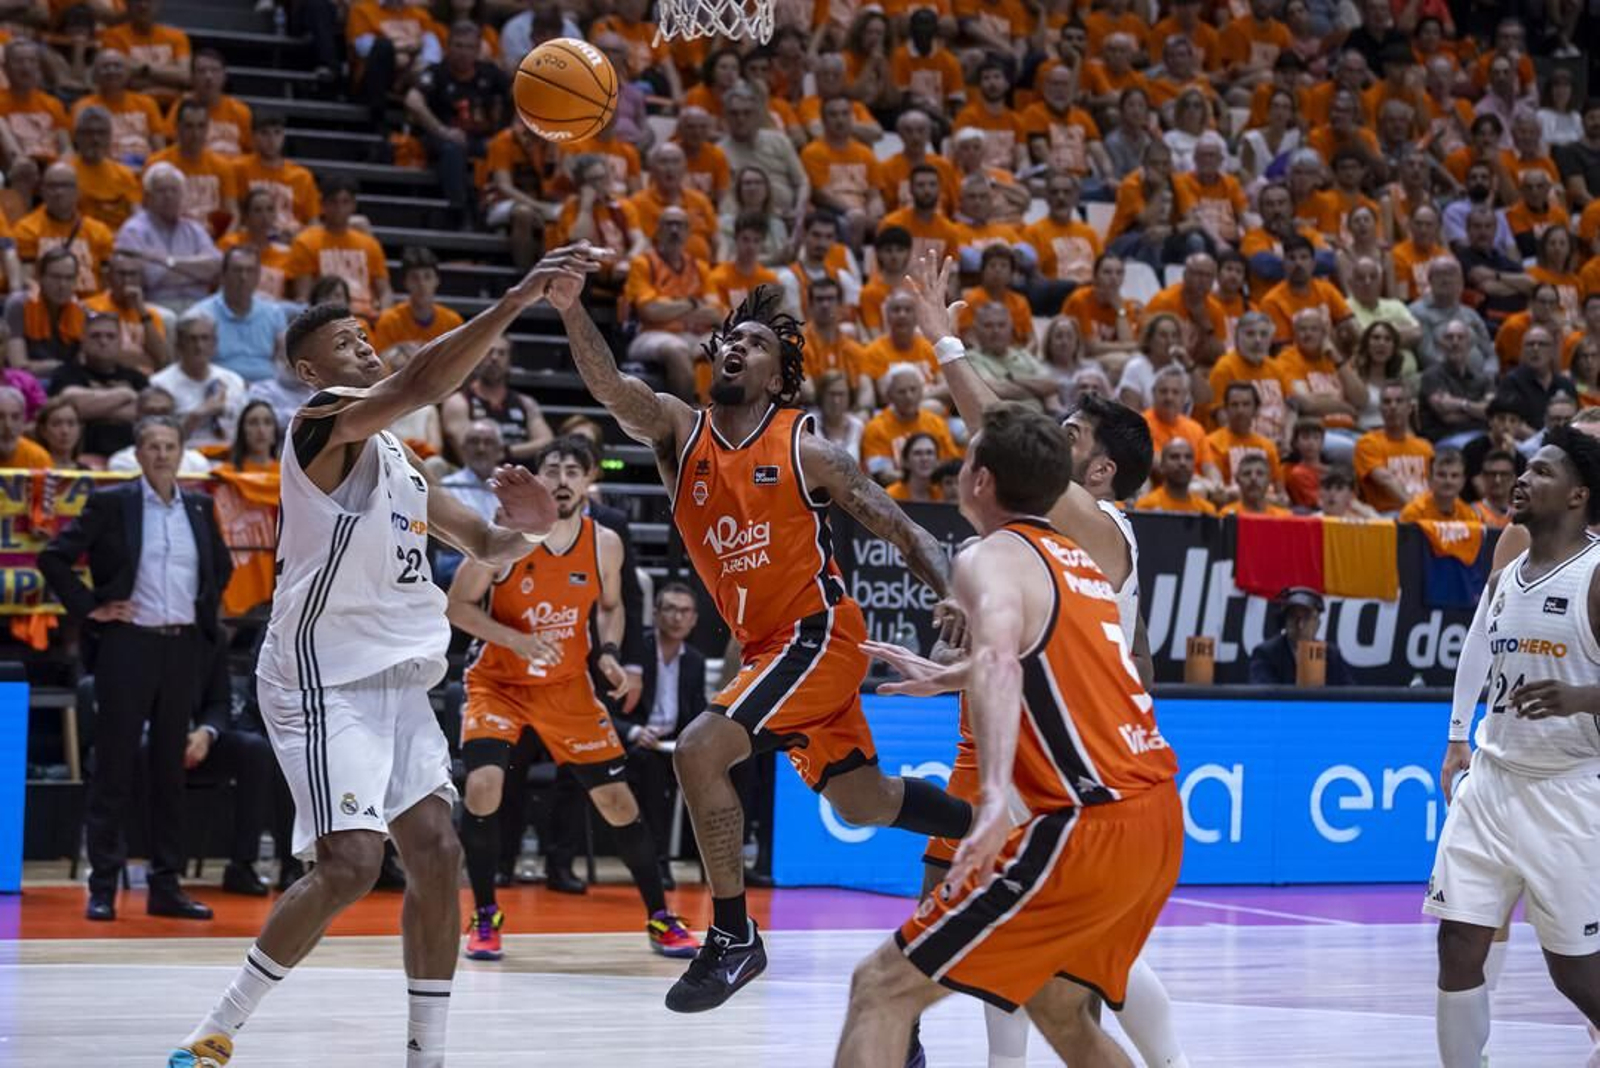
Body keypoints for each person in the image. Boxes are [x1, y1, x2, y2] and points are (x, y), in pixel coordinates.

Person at [163, 251, 584, 1068]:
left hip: (397, 680)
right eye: (346, 341)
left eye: (366, 336)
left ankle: (426, 1055)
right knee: (352, 862)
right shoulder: (318, 424)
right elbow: (422, 385)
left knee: (437, 850)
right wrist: (516, 297)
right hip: (322, 676)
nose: (364, 347)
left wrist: (533, 524)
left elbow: (486, 544)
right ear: (306, 369)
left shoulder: (402, 460)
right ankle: (216, 1028)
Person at [552, 262, 971, 1013]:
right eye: (728, 340)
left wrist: (955, 600)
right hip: (769, 651)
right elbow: (612, 389)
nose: (734, 348)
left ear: (781, 377)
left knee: (699, 747)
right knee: (865, 803)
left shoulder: (808, 447)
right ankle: (983, 828)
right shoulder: (680, 432)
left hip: (819, 634)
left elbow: (905, 531)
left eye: (753, 342)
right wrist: (572, 309)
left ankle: (734, 935)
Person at [889, 250, 1186, 1068]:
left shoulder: (1108, 529)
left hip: (1086, 769)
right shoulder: (1044, 543)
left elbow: (1004, 436)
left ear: (1097, 471)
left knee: (1071, 966)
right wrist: (951, 671)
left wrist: (947, 345)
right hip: (1047, 753)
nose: (1051, 442)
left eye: (1071, 437)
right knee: (1049, 964)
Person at [833, 402, 1182, 1068]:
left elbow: (999, 661)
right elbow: (1031, 653)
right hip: (1154, 811)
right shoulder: (1077, 562)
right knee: (1059, 1009)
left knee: (878, 989)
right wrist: (949, 678)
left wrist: (992, 799)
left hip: (1089, 818)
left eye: (966, 459)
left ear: (980, 482)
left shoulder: (989, 556)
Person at [447, 436, 698, 962]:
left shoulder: (604, 543)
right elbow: (458, 607)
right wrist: (514, 639)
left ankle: (659, 915)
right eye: (552, 470)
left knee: (617, 802)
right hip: (499, 682)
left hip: (565, 687)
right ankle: (486, 914)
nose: (561, 479)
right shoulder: (504, 539)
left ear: (589, 483)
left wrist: (607, 652)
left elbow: (610, 606)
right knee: (484, 786)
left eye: (572, 471)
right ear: (536, 482)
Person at [1430, 425, 1600, 1068]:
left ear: (1579, 494)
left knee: (1575, 975)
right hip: (1494, 780)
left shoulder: (1597, 574)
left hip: (1569, 790)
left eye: (1543, 472)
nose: (1522, 479)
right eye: (1524, 468)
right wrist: (1457, 738)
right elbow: (1475, 651)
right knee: (1457, 944)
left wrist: (1582, 698)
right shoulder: (1506, 579)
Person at [39, 414, 232, 923]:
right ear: (139, 453)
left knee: (171, 771)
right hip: (128, 647)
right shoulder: (113, 502)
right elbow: (54, 557)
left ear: (182, 452)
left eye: (170, 446)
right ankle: (102, 886)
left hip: (181, 648)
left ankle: (166, 887)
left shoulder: (199, 504)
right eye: (153, 446)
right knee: (115, 768)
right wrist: (92, 607)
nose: (162, 454)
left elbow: (221, 566)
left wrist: (203, 613)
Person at [617, 581, 706, 886]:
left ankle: (715, 864)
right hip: (632, 742)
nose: (677, 617)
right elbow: (604, 709)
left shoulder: (694, 660)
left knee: (731, 767)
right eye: (670, 609)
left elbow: (697, 712)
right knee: (652, 767)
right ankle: (657, 864)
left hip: (672, 743)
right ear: (655, 613)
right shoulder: (635, 650)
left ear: (694, 618)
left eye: (684, 611)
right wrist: (633, 731)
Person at [404, 21, 507, 220]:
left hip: (481, 138)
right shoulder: (436, 72)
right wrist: (442, 130)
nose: (463, 52)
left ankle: (492, 209)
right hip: (442, 137)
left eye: (469, 47)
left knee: (501, 147)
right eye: (458, 45)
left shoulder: (490, 72)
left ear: (478, 50)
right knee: (453, 149)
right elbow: (412, 100)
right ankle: (458, 210)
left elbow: (518, 95)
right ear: (448, 47)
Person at [114, 162, 222, 309]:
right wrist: (195, 272)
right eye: (161, 191)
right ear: (147, 197)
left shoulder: (194, 229)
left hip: (199, 305)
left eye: (174, 190)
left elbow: (215, 268)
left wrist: (168, 262)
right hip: (155, 306)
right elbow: (148, 277)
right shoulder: (133, 230)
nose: (169, 196)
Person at [48, 312, 146, 460]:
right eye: (96, 336)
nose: (103, 341)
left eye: (110, 336)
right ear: (83, 340)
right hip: (81, 457)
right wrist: (125, 394)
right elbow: (68, 406)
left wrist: (90, 409)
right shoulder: (65, 374)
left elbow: (144, 411)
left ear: (120, 342)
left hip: (132, 457)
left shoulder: (137, 377)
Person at [439, 334, 551, 464]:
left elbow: (546, 441)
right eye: (488, 351)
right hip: (474, 480)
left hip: (519, 475)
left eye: (501, 353)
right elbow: (469, 452)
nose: (494, 357)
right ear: (477, 358)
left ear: (509, 362)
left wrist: (507, 451)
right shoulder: (458, 401)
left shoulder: (525, 403)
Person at [189, 246, 287, 384]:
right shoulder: (200, 315)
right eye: (237, 270)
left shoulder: (274, 312)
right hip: (221, 386)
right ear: (223, 276)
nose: (243, 277)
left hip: (267, 389)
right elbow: (194, 367)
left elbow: (283, 360)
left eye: (250, 271)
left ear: (258, 276)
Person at [151, 311, 244, 449]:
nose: (199, 346)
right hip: (186, 459)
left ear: (214, 343)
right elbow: (157, 441)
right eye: (192, 339)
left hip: (230, 457)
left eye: (205, 338)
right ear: (179, 345)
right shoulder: (160, 384)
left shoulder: (233, 381)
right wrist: (197, 415)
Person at [1354, 381, 1435, 513]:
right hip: (1390, 514)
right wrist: (1418, 511)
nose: (1393, 406)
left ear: (1410, 407)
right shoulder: (1368, 443)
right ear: (1380, 409)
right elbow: (1386, 480)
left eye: (1399, 401)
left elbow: (1435, 485)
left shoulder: (1425, 447)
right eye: (1387, 402)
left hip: (1425, 512)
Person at [1247, 586, 1353, 684]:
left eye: (1307, 618)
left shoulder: (1331, 654)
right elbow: (1264, 694)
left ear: (1317, 624)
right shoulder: (1266, 653)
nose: (1300, 625)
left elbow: (1350, 695)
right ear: (1285, 621)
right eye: (1294, 618)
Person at [1136, 436, 1218, 514]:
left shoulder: (1207, 510)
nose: (1182, 463)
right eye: (1174, 457)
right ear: (1162, 465)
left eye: (1188, 457)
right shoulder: (1146, 507)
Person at [1399, 447, 1475, 522]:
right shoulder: (1414, 512)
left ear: (1463, 481)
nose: (1448, 481)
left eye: (1454, 476)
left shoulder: (1469, 515)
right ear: (1429, 479)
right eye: (1441, 475)